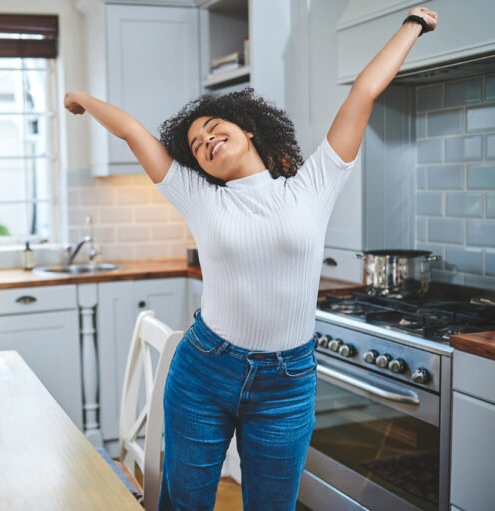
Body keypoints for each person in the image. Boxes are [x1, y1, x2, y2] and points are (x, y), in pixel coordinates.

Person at [64, 6, 438, 510]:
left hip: (287, 385)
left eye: (215, 128)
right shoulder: (200, 196)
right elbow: (133, 131)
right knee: (186, 505)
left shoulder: (313, 186)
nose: (206, 141)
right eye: (195, 145)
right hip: (204, 371)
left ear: (249, 129)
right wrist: (83, 99)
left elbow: (363, 93)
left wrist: (412, 23)